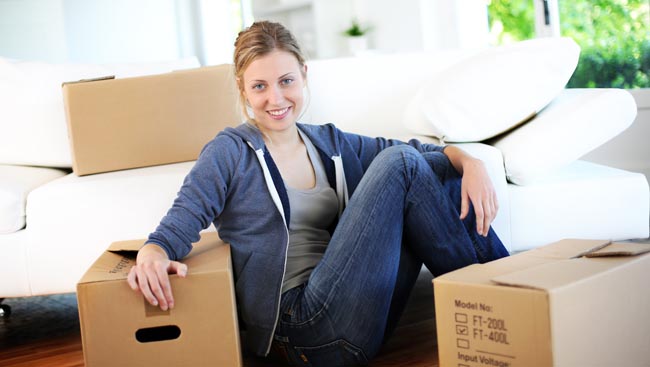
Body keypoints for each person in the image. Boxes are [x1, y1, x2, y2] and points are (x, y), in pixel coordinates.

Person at [127, 20, 509, 366]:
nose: (275, 99)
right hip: (304, 329)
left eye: (286, 81)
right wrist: (152, 256)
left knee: (437, 170)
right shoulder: (229, 152)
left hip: (357, 314)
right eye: (259, 86)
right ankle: (506, 304)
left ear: (304, 76)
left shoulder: (328, 142)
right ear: (243, 90)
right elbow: (176, 227)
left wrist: (470, 160)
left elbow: (423, 157)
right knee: (401, 164)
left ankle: (512, 294)